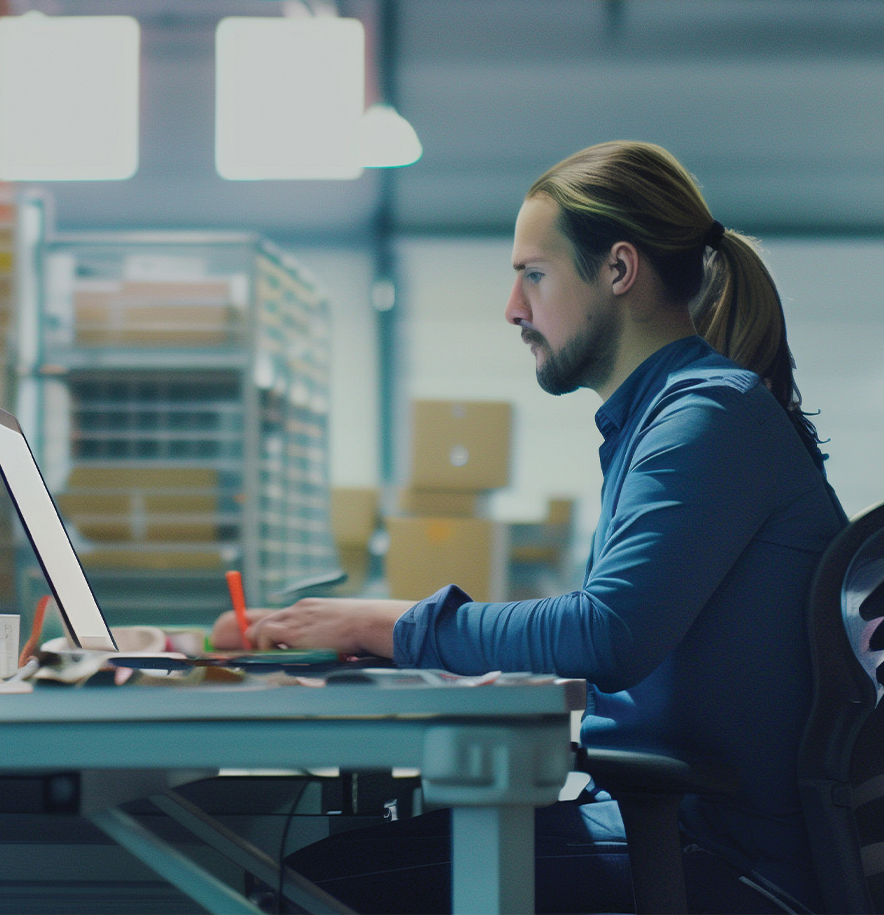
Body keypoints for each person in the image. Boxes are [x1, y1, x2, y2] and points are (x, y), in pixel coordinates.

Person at [212, 141, 847, 913]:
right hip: (682, 827)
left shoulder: (705, 418)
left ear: (618, 270)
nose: (514, 309)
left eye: (533, 275)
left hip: (718, 855)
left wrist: (392, 624)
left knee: (293, 883)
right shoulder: (673, 419)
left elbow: (606, 632)